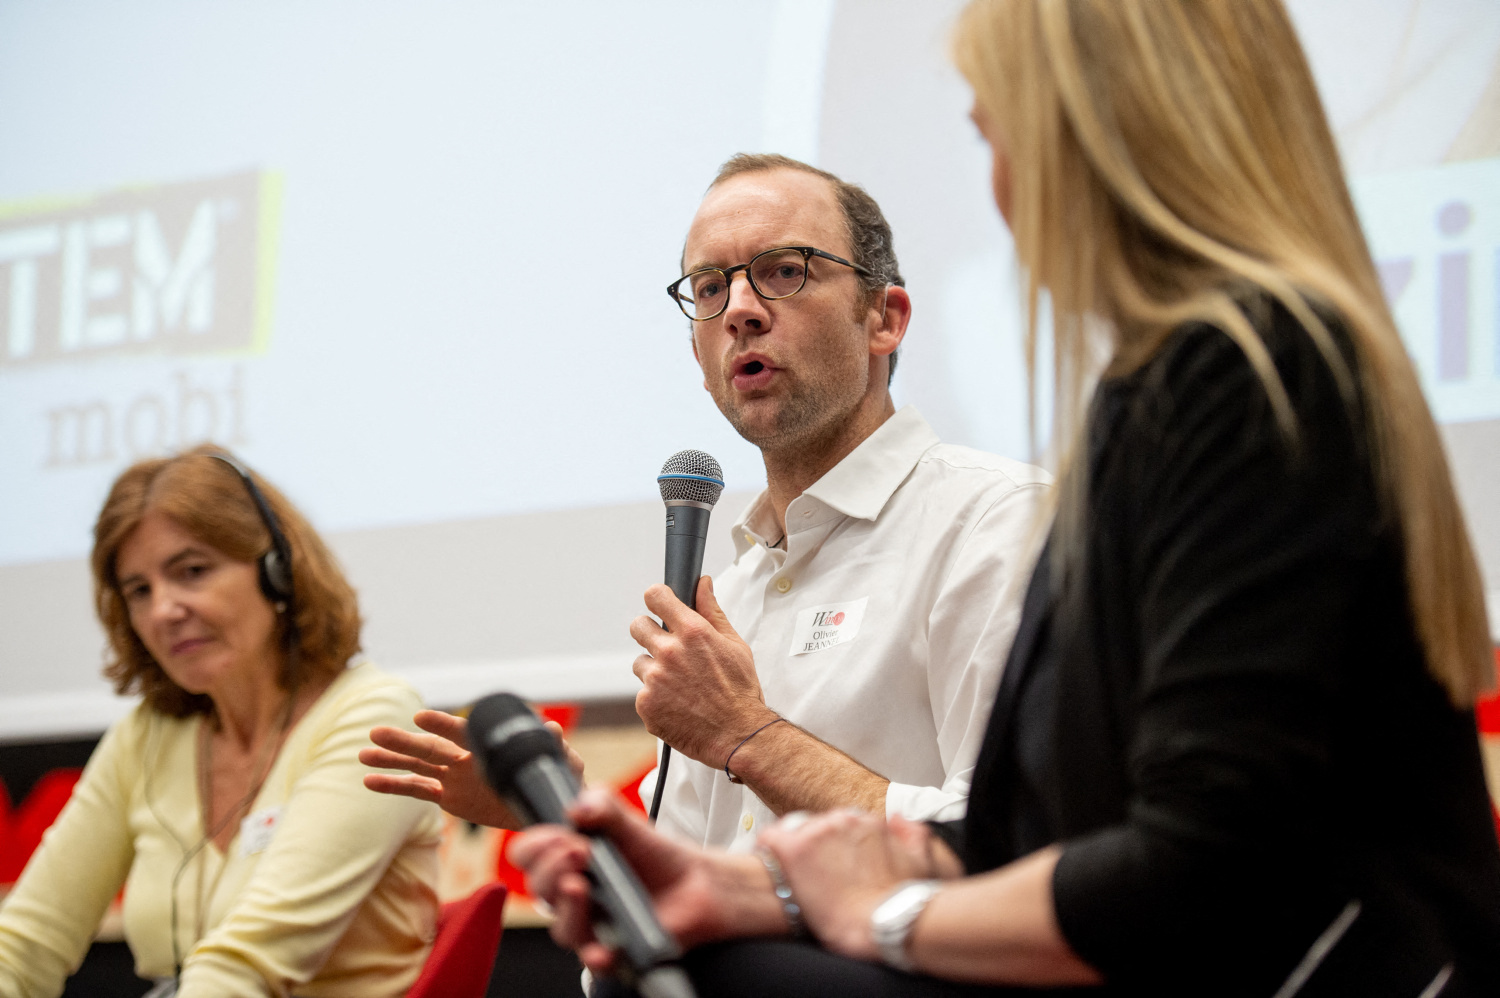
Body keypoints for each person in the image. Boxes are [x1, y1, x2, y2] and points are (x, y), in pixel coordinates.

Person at [510, 1, 1500, 995]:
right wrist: (740, 888)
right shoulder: (1145, 400)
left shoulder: (1245, 377)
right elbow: (1024, 834)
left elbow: (1195, 867)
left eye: (997, 136)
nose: (998, 193)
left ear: (1101, 130)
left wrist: (874, 906)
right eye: (710, 288)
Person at [363, 153, 1049, 850]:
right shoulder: (733, 597)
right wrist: (560, 814)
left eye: (784, 270)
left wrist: (748, 735)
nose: (741, 311)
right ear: (699, 359)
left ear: (884, 318)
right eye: (710, 287)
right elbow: (692, 889)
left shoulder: (999, 523)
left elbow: (1013, 846)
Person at [0, 446, 442, 996]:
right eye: (139, 590)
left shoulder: (374, 716)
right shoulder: (147, 735)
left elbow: (246, 965)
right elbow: (25, 943)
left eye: (191, 571)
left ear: (278, 573)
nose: (163, 609)